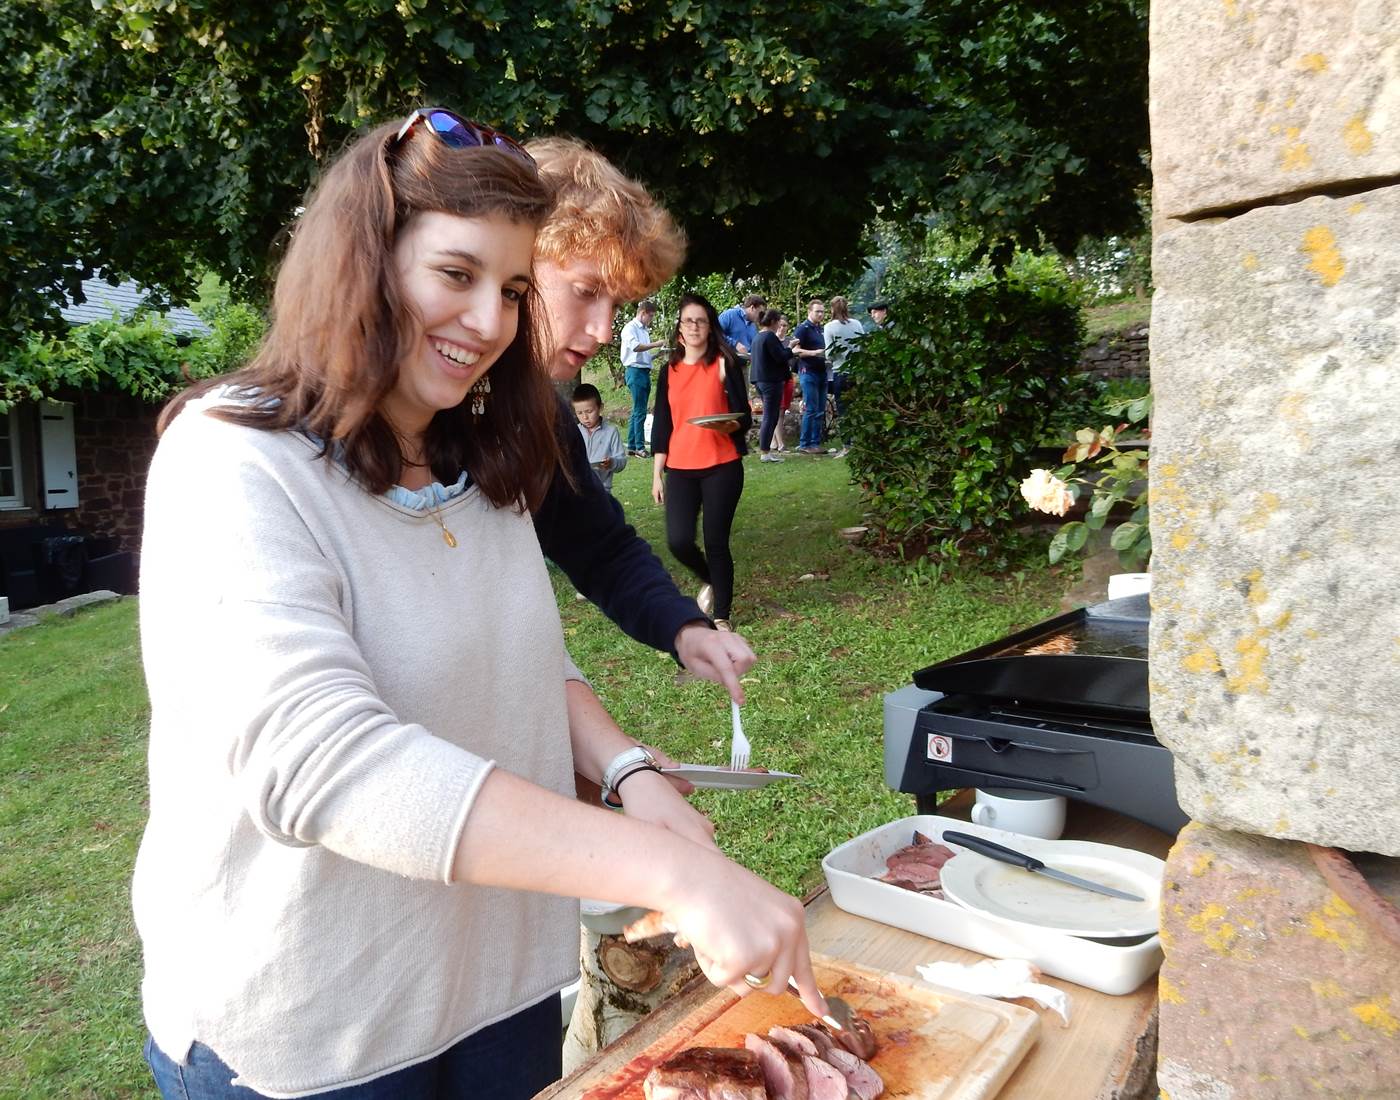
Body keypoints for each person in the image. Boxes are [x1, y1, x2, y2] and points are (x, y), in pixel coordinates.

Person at [135, 108, 827, 1100]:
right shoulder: (232, 459)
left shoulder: (482, 457)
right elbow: (320, 761)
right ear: (361, 260)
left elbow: (520, 655)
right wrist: (671, 873)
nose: (492, 320)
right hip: (319, 1031)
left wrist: (625, 767)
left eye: (508, 289)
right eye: (454, 275)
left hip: (497, 985)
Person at [524, 137, 754, 699]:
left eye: (618, 305)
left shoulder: (539, 419)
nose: (605, 330)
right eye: (586, 291)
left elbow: (599, 547)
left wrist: (683, 628)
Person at [651, 294, 753, 631]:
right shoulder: (668, 370)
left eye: (701, 320)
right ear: (679, 328)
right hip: (680, 467)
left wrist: (730, 424)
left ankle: (721, 615)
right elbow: (664, 424)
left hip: (721, 464)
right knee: (678, 540)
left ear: (710, 327)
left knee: (715, 540)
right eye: (688, 320)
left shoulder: (724, 363)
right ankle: (712, 579)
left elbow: (745, 416)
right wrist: (657, 475)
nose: (694, 326)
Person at [620, 298, 665, 456]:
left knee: (637, 410)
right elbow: (636, 347)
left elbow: (643, 355)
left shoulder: (644, 331)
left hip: (643, 371)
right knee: (640, 411)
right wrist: (656, 344)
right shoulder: (630, 329)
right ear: (643, 313)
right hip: (635, 371)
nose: (651, 320)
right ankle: (640, 447)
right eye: (651, 316)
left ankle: (632, 445)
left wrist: (658, 354)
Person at [749, 308, 794, 462]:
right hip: (770, 381)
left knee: (770, 415)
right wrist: (790, 349)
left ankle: (766, 450)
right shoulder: (769, 336)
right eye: (778, 323)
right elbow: (780, 357)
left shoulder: (757, 337)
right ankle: (765, 451)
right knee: (770, 415)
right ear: (774, 322)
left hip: (759, 380)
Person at [822, 295, 865, 458]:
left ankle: (847, 446)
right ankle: (862, 442)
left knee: (843, 409)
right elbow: (862, 345)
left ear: (832, 309)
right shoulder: (857, 324)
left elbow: (829, 355)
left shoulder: (829, 327)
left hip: (841, 372)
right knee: (859, 407)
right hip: (858, 372)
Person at [572, 382, 627, 492]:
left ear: (600, 407)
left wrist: (612, 463)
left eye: (589, 411)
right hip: (577, 491)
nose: (585, 417)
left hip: (602, 491)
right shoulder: (574, 431)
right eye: (579, 413)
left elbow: (622, 461)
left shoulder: (611, 432)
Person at [792, 298, 828, 455]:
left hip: (822, 371)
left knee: (820, 408)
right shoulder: (803, 329)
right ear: (809, 312)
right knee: (811, 408)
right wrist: (814, 353)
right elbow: (795, 350)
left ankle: (815, 443)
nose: (820, 314)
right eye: (817, 311)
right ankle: (805, 443)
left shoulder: (821, 329)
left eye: (822, 312)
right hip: (808, 372)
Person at [717, 293, 766, 361]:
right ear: (752, 308)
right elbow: (715, 333)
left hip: (743, 366)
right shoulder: (729, 315)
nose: (761, 317)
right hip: (725, 363)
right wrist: (735, 344)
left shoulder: (753, 326)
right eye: (760, 313)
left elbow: (752, 349)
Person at [774, 313, 796, 453]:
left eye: (785, 325)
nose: (782, 328)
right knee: (778, 411)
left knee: (782, 410)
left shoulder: (790, 340)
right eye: (780, 325)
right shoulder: (772, 340)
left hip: (788, 377)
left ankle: (774, 442)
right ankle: (780, 443)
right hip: (776, 379)